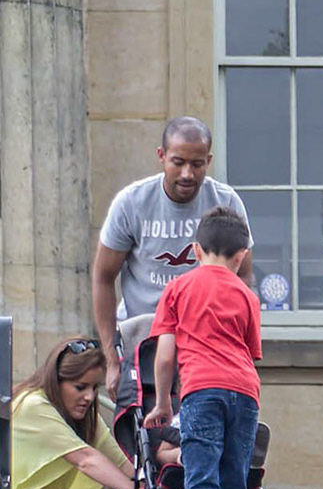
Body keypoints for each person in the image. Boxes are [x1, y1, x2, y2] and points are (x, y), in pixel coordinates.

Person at [91, 117, 250, 399]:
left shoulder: (226, 202)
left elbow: (244, 279)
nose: (187, 173)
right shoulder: (132, 203)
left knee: (199, 432)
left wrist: (239, 347)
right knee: (141, 434)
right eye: (178, 162)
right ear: (161, 156)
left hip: (205, 345)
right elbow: (103, 278)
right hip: (142, 341)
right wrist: (111, 357)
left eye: (197, 164)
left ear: (208, 161)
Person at [142, 207, 261, 489]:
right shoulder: (247, 295)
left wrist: (163, 402)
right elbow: (251, 354)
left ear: (196, 250)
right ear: (241, 257)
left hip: (201, 392)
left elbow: (164, 356)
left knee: (200, 487)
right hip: (245, 394)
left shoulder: (178, 288)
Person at [8, 338, 134, 489]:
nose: (90, 397)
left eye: (95, 388)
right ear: (56, 382)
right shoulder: (33, 405)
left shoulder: (86, 420)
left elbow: (124, 466)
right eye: (80, 387)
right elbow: (86, 459)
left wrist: (157, 488)